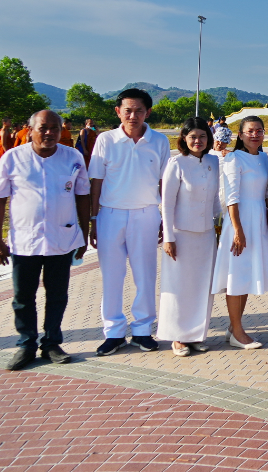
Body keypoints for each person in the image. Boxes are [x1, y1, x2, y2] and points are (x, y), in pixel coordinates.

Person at [0, 110, 90, 370]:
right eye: (43, 128)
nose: (49, 133)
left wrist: (83, 234)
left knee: (57, 294)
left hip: (62, 238)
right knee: (23, 297)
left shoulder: (73, 157)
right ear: (30, 130)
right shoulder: (13, 158)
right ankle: (26, 344)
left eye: (54, 128)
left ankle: (52, 343)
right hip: (25, 241)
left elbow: (82, 196)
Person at [88, 88, 169, 356]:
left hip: (146, 213)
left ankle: (143, 330)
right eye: (127, 110)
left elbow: (164, 183)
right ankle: (113, 332)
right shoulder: (105, 140)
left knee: (145, 274)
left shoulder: (159, 141)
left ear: (148, 112)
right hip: (110, 214)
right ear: (118, 111)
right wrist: (93, 219)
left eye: (139, 111)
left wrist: (163, 218)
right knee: (112, 275)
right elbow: (96, 181)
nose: (133, 116)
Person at [158, 117, 221, 356]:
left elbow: (215, 198)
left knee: (202, 286)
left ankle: (196, 335)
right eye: (193, 137)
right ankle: (178, 337)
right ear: (184, 138)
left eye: (203, 136)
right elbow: (167, 203)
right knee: (179, 286)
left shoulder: (213, 162)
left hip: (205, 234)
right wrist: (168, 237)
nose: (198, 141)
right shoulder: (176, 164)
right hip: (181, 234)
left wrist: (220, 225)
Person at [212, 115, 268, 349]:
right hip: (238, 221)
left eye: (259, 130)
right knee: (236, 274)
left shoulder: (262, 158)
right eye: (250, 131)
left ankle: (234, 326)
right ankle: (238, 331)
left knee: (246, 275)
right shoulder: (234, 159)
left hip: (257, 218)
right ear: (240, 134)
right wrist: (238, 230)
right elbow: (231, 197)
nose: (255, 134)